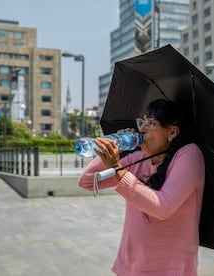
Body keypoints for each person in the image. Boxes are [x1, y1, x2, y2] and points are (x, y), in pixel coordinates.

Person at [78, 99, 205, 275]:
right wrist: (116, 147)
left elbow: (162, 207)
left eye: (151, 123)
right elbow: (86, 181)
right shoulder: (137, 159)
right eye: (142, 121)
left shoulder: (189, 155)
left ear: (172, 131)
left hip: (170, 269)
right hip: (130, 267)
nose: (142, 128)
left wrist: (117, 169)